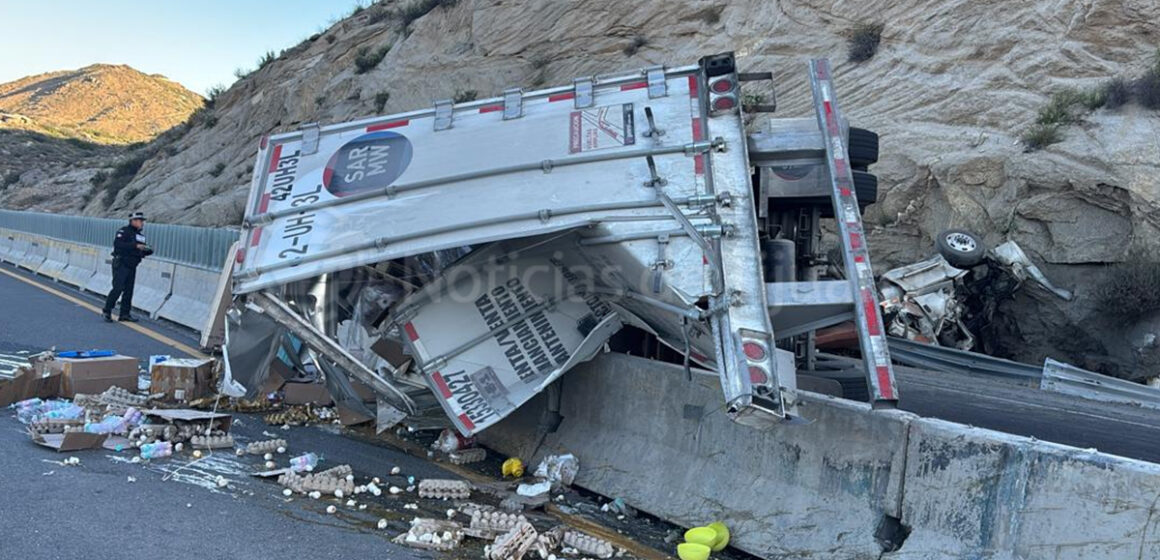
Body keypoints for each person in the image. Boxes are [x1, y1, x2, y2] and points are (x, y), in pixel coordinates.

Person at [102, 212, 154, 322]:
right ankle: (107, 310)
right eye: (140, 221)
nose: (142, 223)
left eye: (142, 221)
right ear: (133, 221)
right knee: (118, 288)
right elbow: (118, 245)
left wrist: (146, 251)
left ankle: (124, 314)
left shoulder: (140, 236)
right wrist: (135, 246)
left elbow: (139, 250)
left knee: (129, 290)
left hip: (132, 265)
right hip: (121, 263)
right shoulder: (124, 231)